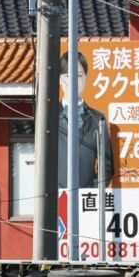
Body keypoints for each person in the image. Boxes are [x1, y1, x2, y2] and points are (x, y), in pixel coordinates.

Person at [57, 51, 115, 190]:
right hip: (55, 198)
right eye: (67, 76)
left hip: (87, 199)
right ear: (59, 79)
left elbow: (106, 165)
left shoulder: (97, 118)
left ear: (86, 79)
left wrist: (93, 190)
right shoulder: (49, 117)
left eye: (78, 76)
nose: (72, 81)